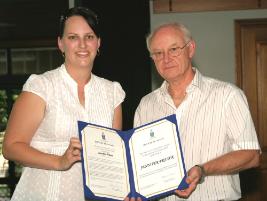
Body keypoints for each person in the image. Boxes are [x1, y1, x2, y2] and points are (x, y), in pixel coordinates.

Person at [2, 7, 125, 201]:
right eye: (73, 37)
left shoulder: (113, 93)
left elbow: (113, 157)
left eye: (89, 37)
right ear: (61, 43)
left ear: (98, 43)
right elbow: (11, 147)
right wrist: (59, 161)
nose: (82, 45)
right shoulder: (41, 86)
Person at [132, 22, 260, 201]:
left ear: (190, 49)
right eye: (158, 53)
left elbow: (251, 155)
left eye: (174, 49)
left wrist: (203, 169)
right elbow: (141, 164)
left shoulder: (227, 96)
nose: (166, 59)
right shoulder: (145, 106)